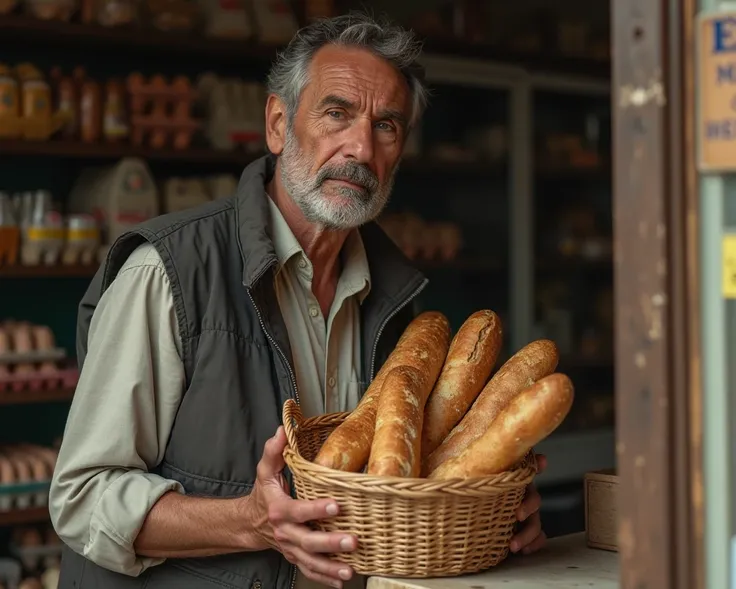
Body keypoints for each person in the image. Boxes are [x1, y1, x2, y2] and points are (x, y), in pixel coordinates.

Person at [48, 12, 547, 589]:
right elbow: (81, 499)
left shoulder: (398, 311)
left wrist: (485, 511)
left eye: (387, 126)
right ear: (279, 124)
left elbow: (398, 491)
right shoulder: (169, 272)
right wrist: (251, 522)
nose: (360, 147)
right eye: (337, 113)